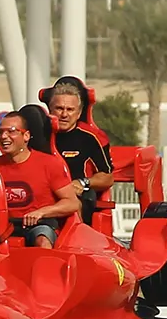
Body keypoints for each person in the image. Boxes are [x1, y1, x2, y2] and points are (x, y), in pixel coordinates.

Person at [0, 109, 82, 248]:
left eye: (11, 131)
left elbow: (72, 203)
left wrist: (41, 212)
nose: (4, 136)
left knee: (42, 240)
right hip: (5, 227)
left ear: (26, 135)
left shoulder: (49, 164)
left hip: (39, 225)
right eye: (1, 132)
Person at [40, 76, 116, 225]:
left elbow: (108, 177)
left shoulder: (91, 137)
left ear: (79, 112)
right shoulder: (37, 134)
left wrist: (83, 182)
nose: (64, 114)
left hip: (77, 196)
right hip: (42, 196)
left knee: (76, 202)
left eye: (70, 109)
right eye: (59, 108)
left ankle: (75, 243)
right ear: (50, 109)